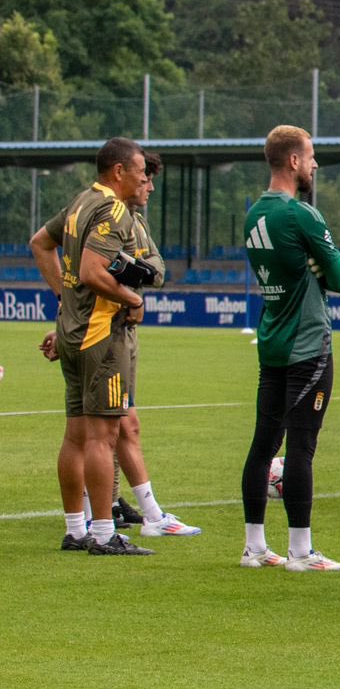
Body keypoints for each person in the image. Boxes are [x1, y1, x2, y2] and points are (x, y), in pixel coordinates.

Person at [30, 137, 156, 555]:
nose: (144, 178)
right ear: (119, 171)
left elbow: (39, 243)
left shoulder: (81, 201)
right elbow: (90, 270)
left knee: (76, 436)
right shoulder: (114, 209)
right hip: (101, 334)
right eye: (140, 170)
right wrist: (132, 299)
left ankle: (75, 528)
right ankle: (103, 534)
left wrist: (64, 304)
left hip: (71, 331)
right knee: (105, 436)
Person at [238, 125, 340, 572]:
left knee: (263, 444)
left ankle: (254, 547)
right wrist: (320, 268)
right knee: (302, 447)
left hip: (272, 343)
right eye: (310, 156)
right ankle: (301, 552)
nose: (314, 165)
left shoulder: (254, 215)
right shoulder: (303, 215)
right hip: (308, 343)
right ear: (292, 161)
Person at [109, 150, 199, 538]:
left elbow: (157, 269)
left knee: (109, 422)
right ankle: (149, 515)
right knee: (119, 422)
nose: (150, 186)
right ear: (123, 174)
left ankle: (105, 505)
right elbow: (95, 264)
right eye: (144, 177)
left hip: (119, 328)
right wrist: (132, 290)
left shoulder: (135, 220)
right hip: (104, 330)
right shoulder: (106, 216)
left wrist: (136, 280)